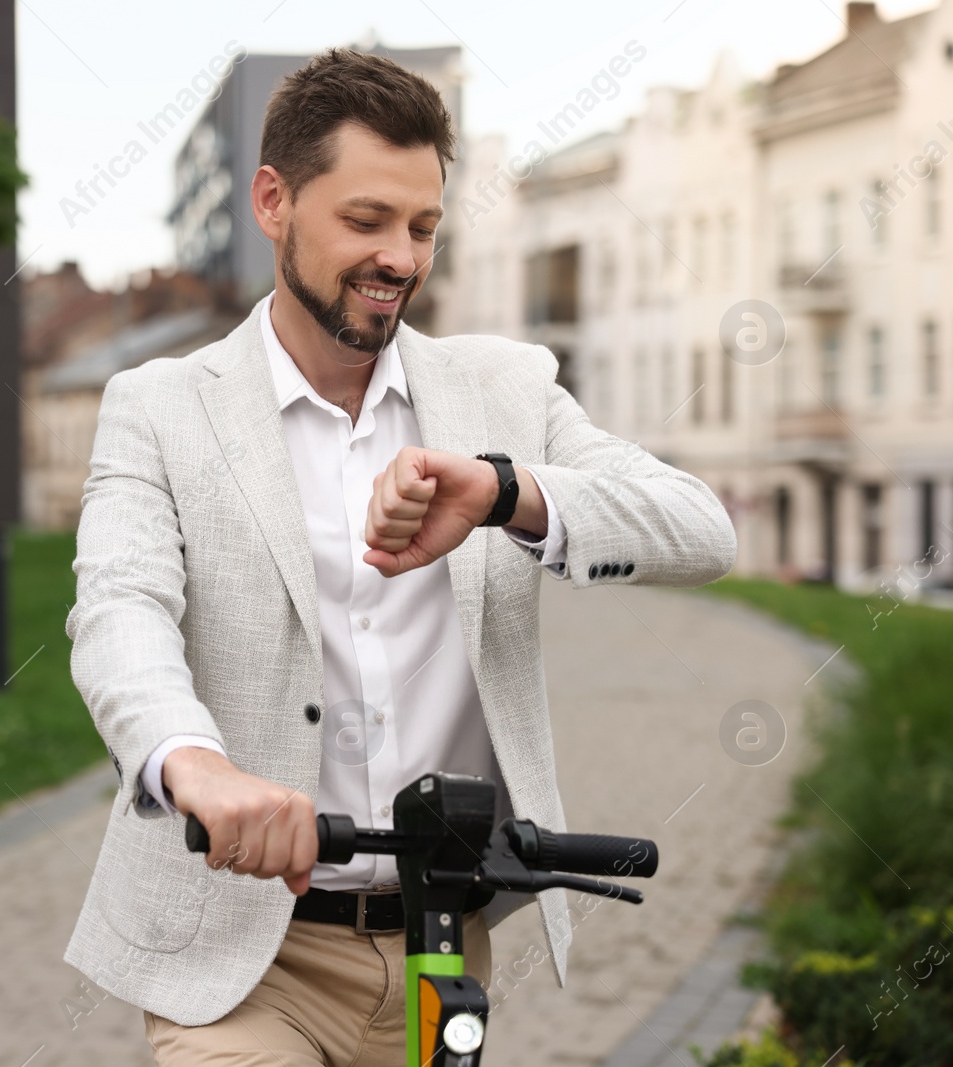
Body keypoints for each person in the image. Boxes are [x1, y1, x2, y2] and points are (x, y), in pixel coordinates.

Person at [61, 47, 736, 1066]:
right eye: (366, 220)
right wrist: (192, 765)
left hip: (440, 943)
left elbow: (699, 528)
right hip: (243, 960)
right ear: (272, 200)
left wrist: (504, 490)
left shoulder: (502, 391)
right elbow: (120, 612)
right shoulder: (160, 408)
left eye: (422, 227)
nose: (400, 257)